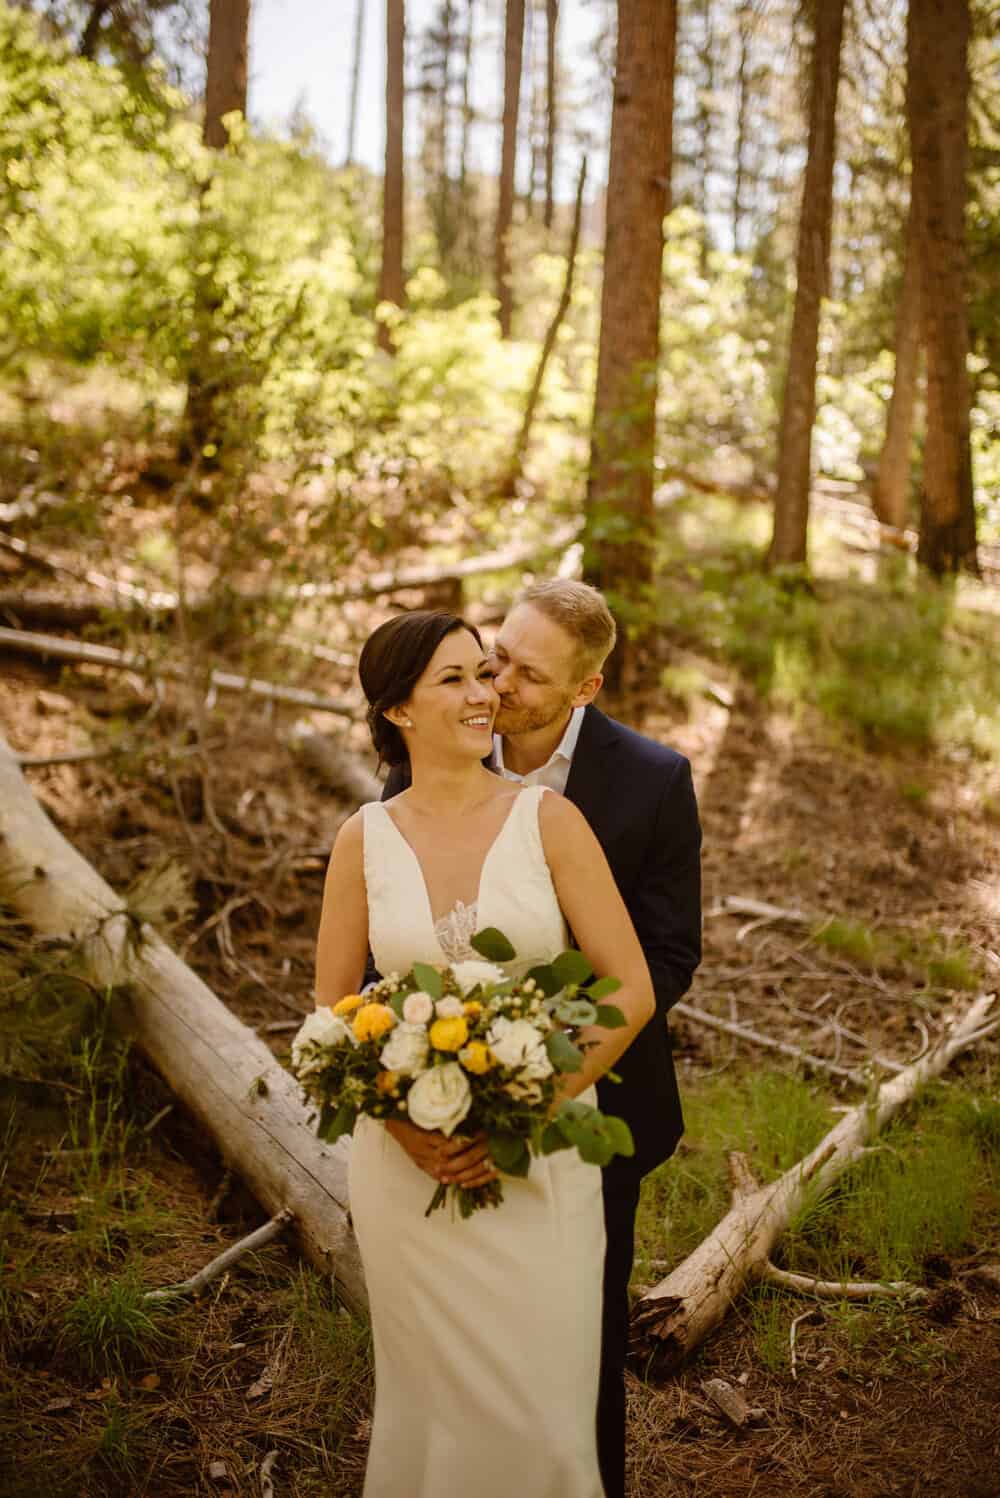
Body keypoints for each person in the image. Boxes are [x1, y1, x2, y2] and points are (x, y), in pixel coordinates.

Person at [315, 608, 657, 1498]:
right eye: (457, 679)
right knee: (432, 1412)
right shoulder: (363, 840)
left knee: (543, 1413)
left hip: (542, 1156)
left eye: (487, 672)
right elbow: (334, 1012)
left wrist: (534, 1097)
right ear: (397, 710)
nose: (487, 694)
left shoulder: (550, 821)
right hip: (406, 1174)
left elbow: (630, 986)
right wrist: (402, 1128)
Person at [381, 581, 703, 1498]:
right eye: (498, 656)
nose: (498, 684)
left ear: (586, 689)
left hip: (599, 1096)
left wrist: (544, 1051)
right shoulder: (433, 751)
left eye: (527, 672)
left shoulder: (651, 781)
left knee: (581, 1333)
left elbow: (670, 952)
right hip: (441, 1081)